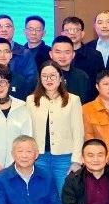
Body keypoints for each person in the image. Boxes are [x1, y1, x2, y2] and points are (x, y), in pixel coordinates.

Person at [27, 61, 85, 191]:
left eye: (53, 75)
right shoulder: (31, 100)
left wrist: (76, 161)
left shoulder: (73, 100)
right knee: (41, 195)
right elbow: (28, 131)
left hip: (64, 158)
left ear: (60, 78)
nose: (49, 79)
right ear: (40, 79)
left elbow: (78, 132)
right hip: (38, 157)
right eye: (44, 76)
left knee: (62, 195)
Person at [0, 15, 34, 81]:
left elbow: (31, 80)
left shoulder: (25, 53)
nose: (4, 30)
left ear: (14, 29)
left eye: (8, 26)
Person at [49, 35, 96, 100]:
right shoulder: (44, 76)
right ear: (51, 54)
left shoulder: (82, 76)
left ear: (73, 55)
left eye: (67, 52)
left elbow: (87, 101)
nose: (62, 56)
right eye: (58, 52)